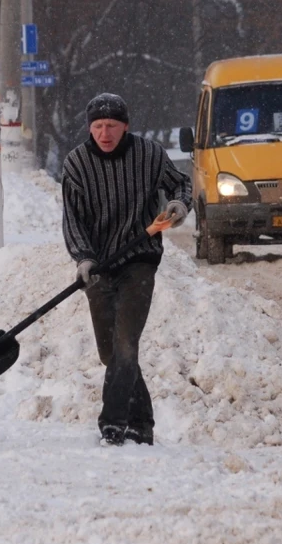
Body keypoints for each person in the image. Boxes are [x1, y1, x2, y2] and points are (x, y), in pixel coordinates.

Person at [61, 93, 192, 446]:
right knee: (110, 353)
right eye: (98, 126)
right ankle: (143, 423)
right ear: (90, 127)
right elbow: (72, 220)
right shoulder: (76, 165)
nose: (105, 133)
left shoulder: (149, 155)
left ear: (125, 127)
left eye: (112, 126)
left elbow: (180, 182)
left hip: (139, 259)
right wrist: (84, 258)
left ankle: (113, 424)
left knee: (126, 344)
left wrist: (179, 203)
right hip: (99, 264)